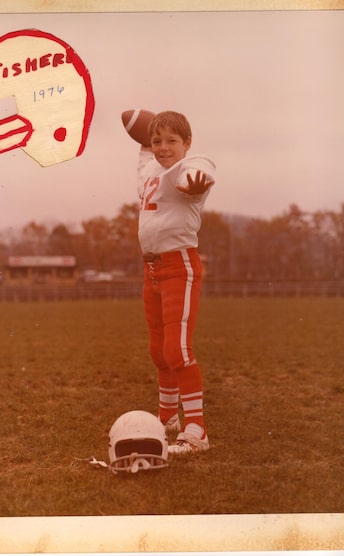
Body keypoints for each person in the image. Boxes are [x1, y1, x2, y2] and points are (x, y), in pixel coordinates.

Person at [136, 110, 215, 454]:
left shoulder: (192, 164)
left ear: (187, 143)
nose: (163, 147)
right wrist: (145, 135)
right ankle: (167, 416)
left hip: (178, 265)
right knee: (159, 350)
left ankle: (196, 429)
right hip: (151, 268)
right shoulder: (151, 167)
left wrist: (196, 178)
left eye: (172, 141)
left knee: (177, 349)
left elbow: (199, 170)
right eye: (157, 141)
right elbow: (143, 155)